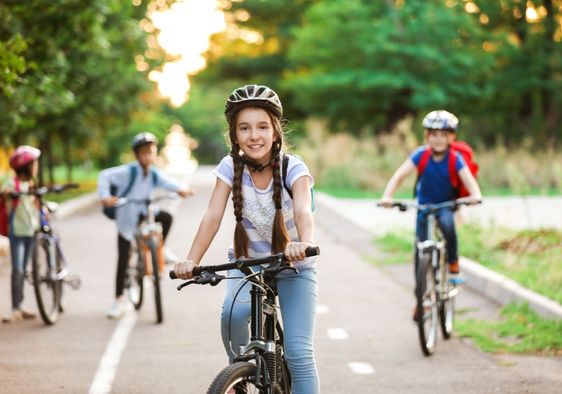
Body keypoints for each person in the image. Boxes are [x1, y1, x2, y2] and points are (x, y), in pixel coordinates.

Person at [173, 84, 319, 393]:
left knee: (299, 354)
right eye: (245, 128)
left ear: (276, 131)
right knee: (233, 314)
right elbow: (212, 216)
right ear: (234, 135)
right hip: (247, 261)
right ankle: (239, 374)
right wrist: (192, 260)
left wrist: (303, 243)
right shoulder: (229, 167)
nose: (254, 135)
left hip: (294, 264)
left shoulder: (293, 167)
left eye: (262, 127)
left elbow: (305, 210)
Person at [380, 110, 481, 292]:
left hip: (446, 205)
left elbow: (470, 183)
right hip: (423, 206)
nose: (438, 139)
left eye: (443, 135)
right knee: (420, 251)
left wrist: (474, 196)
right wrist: (387, 196)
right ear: (427, 136)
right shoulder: (421, 155)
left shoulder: (454, 159)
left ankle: (453, 264)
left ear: (452, 137)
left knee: (448, 226)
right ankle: (421, 295)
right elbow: (399, 176)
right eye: (434, 134)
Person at [98, 132, 193, 319]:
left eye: (151, 152)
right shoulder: (128, 172)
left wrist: (182, 189)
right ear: (136, 154)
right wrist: (105, 196)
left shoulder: (153, 173)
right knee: (123, 258)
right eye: (144, 152)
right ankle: (118, 300)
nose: (148, 156)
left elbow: (169, 183)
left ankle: (161, 248)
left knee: (166, 217)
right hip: (127, 215)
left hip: (146, 211)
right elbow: (104, 176)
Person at [1, 145, 41, 323]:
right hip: (17, 233)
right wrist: (9, 193)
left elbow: (35, 205)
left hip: (31, 231)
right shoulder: (13, 183)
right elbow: (4, 193)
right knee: (17, 269)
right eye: (35, 164)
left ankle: (21, 304)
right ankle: (15, 308)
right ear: (26, 166)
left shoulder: (31, 184)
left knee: (24, 269)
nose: (37, 167)